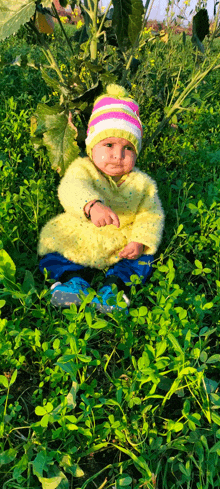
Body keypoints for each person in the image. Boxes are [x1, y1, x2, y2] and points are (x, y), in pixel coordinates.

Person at [38, 84, 164, 313]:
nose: (118, 155)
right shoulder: (83, 169)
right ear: (91, 147)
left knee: (143, 260)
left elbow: (151, 215)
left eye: (128, 148)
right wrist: (90, 204)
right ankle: (73, 281)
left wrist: (139, 241)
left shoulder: (143, 184)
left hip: (121, 243)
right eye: (108, 145)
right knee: (53, 249)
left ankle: (114, 290)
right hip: (81, 232)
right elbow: (71, 187)